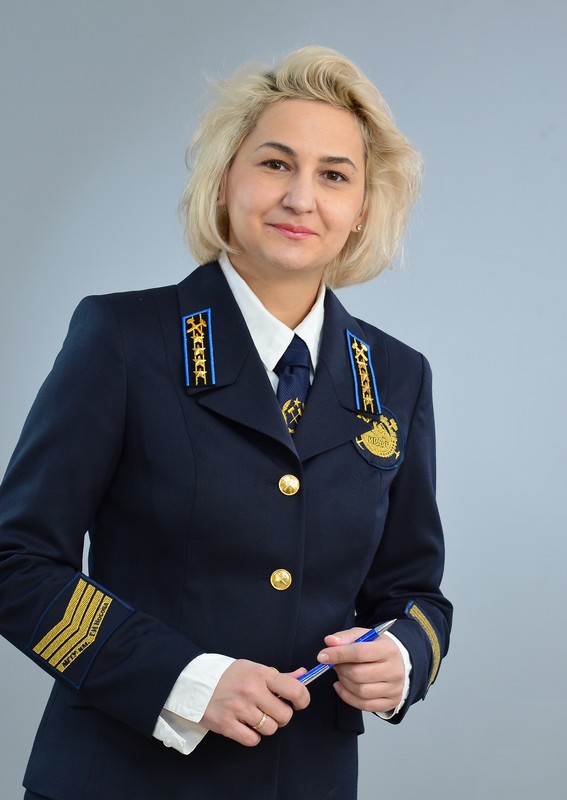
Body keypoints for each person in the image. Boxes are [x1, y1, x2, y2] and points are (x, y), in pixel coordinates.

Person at [0, 46, 452, 799]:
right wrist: (182, 679)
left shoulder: (398, 376)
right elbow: (15, 560)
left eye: (334, 175)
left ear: (362, 211)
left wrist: (403, 655)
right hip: (121, 779)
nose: (300, 198)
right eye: (275, 164)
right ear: (223, 181)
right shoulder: (123, 339)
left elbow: (413, 592)